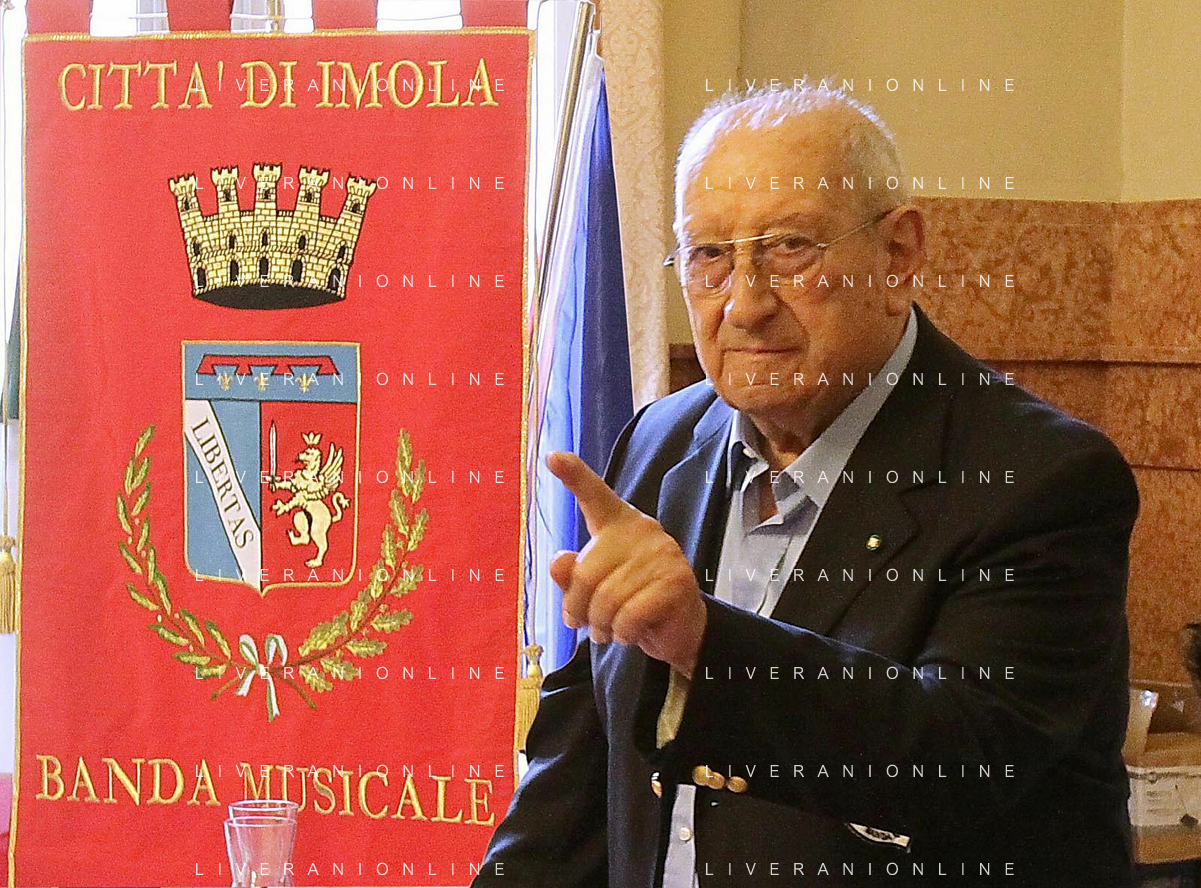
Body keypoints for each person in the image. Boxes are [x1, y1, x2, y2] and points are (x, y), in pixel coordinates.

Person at [474, 85, 1139, 887]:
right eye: (708, 255)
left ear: (897, 255)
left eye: (789, 248)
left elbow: (959, 759)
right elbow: (584, 762)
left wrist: (704, 646)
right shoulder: (659, 442)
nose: (744, 304)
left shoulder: (1038, 477)